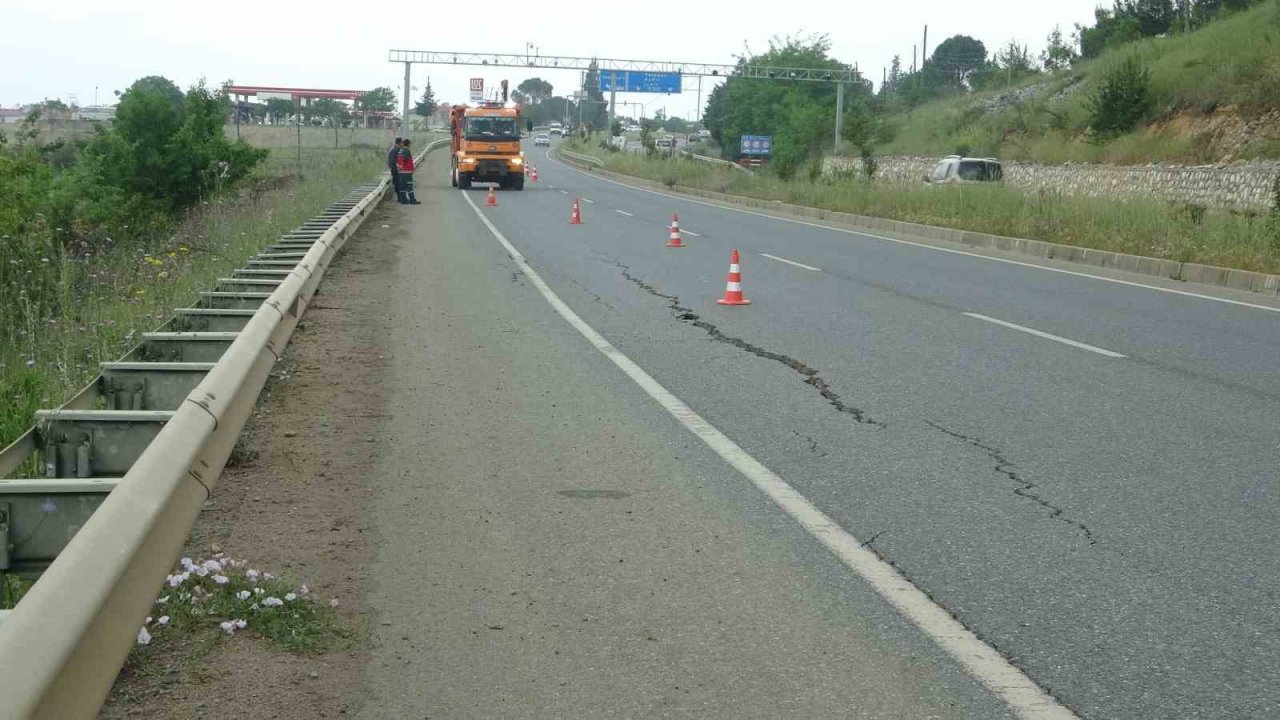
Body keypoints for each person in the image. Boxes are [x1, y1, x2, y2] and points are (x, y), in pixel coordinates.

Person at [397, 138, 421, 205]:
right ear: (408, 144)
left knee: (403, 186)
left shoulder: (400, 150)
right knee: (409, 186)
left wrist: (399, 167)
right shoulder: (406, 150)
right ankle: (412, 200)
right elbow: (404, 159)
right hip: (407, 171)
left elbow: (399, 160)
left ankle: (403, 200)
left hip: (401, 171)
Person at [388, 137, 404, 203]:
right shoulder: (397, 150)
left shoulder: (394, 150)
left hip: (395, 169)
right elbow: (394, 161)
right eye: (402, 142)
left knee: (397, 184)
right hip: (396, 170)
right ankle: (400, 198)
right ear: (399, 143)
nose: (403, 144)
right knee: (398, 184)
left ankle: (400, 198)